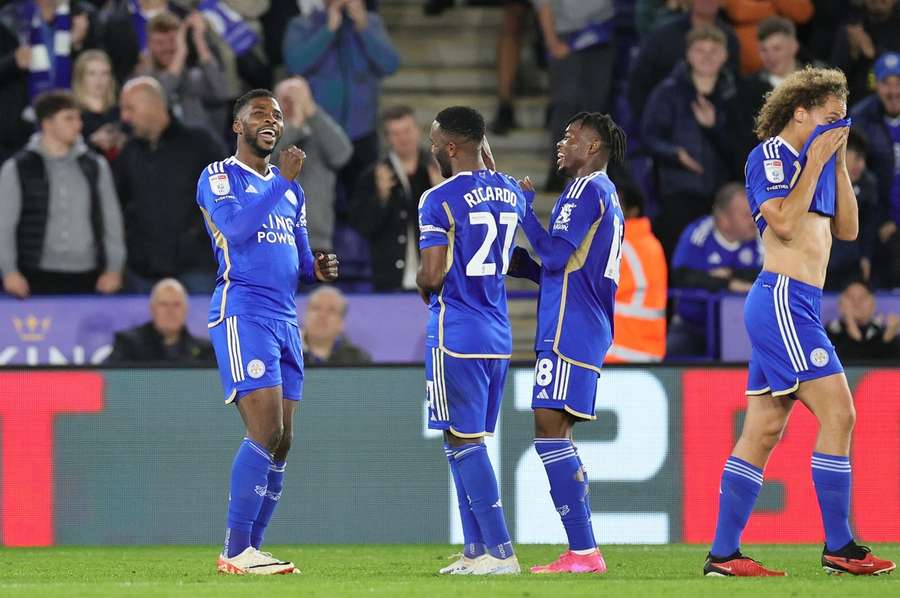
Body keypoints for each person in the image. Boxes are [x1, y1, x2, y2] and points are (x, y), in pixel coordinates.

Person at [704, 67, 895, 576]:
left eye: (843, 119)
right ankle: (840, 546)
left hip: (800, 302)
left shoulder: (822, 163)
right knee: (840, 414)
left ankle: (723, 555)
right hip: (783, 300)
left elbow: (849, 230)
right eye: (831, 118)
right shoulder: (768, 156)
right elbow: (784, 224)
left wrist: (834, 166)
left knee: (763, 430)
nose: (840, 127)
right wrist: (814, 159)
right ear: (801, 113)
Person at [197, 88, 339, 574]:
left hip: (285, 318)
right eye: (259, 113)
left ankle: (250, 550)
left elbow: (299, 263)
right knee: (266, 429)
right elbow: (236, 232)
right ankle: (236, 550)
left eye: (277, 115)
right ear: (237, 125)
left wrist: (318, 268)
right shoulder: (219, 177)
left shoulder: (291, 190)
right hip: (243, 312)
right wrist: (282, 184)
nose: (271, 120)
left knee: (283, 440)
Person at [508, 112, 626, 574]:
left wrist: (524, 211)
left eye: (570, 136)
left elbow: (557, 254)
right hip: (582, 321)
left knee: (548, 430)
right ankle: (583, 549)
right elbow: (570, 269)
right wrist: (530, 270)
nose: (562, 142)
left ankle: (584, 551)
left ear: (593, 147)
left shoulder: (586, 189)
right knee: (557, 434)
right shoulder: (606, 195)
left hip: (568, 328)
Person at [417, 106, 524, 575]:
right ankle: (475, 550)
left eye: (435, 140)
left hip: (455, 330)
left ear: (452, 147)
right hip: (498, 333)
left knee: (463, 441)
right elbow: (492, 187)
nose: (431, 146)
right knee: (466, 441)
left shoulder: (436, 199)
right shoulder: (511, 193)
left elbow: (432, 273)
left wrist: (423, 286)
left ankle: (500, 551)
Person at [0, 90, 125, 298]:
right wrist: (9, 271)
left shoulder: (95, 166)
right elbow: (4, 226)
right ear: (47, 124)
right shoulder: (18, 168)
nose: (78, 125)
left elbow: (112, 221)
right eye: (69, 118)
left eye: (78, 118)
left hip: (88, 275)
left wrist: (114, 268)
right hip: (34, 275)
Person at [114, 76, 224, 293]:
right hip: (144, 271)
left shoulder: (201, 144)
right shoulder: (130, 152)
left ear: (153, 105)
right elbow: (119, 204)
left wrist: (195, 238)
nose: (124, 117)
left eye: (129, 109)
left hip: (197, 268)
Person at [641, 25, 740, 258]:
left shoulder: (736, 93)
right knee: (677, 258)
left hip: (722, 195)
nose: (706, 57)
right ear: (688, 54)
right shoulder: (667, 92)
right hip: (678, 191)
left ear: (725, 55)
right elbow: (649, 137)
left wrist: (713, 128)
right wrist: (677, 155)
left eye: (714, 50)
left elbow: (742, 145)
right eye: (699, 50)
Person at [282, 0, 400, 193]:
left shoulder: (371, 23)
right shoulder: (303, 24)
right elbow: (295, 63)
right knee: (319, 203)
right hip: (318, 134)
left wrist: (364, 29)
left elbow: (390, 64)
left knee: (364, 200)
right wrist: (328, 30)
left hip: (362, 131)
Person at [350, 105, 441, 291]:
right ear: (388, 138)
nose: (403, 138)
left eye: (407, 130)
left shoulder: (439, 170)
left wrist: (441, 190)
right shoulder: (372, 176)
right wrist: (381, 197)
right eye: (396, 133)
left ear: (418, 130)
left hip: (436, 276)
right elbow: (363, 227)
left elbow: (459, 223)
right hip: (389, 279)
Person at [667, 183, 761, 358]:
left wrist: (729, 275)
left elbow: (768, 274)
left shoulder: (760, 236)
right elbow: (682, 276)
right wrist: (729, 284)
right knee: (670, 353)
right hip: (693, 326)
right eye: (747, 216)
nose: (754, 220)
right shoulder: (699, 233)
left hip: (744, 327)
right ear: (724, 220)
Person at [537, 0, 615, 191]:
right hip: (567, 37)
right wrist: (552, 41)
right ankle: (559, 169)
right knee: (566, 105)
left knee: (598, 109)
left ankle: (593, 169)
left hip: (603, 34)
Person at [272, 76, 353, 251]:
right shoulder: (265, 138)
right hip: (273, 241)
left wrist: (312, 112)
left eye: (299, 99)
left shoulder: (321, 136)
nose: (293, 104)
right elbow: (262, 162)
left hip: (316, 242)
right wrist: (294, 126)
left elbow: (342, 154)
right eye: (286, 100)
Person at [627, 0, 740, 121]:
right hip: (665, 123)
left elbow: (733, 85)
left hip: (718, 124)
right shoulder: (662, 36)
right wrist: (651, 119)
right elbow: (637, 83)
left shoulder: (730, 38)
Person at [140, 12, 230, 141]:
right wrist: (180, 55)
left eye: (172, 41)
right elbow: (158, 100)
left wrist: (199, 40)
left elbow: (222, 93)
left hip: (206, 149)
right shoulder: (143, 80)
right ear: (149, 45)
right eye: (159, 43)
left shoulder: (196, 74)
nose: (167, 48)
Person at [850, 52, 900, 288]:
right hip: (873, 222)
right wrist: (881, 221)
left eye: (898, 82)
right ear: (876, 85)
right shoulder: (860, 119)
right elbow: (859, 178)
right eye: (886, 83)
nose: (894, 91)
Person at [606, 183, 667, 363]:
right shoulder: (652, 244)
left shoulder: (621, 247)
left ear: (632, 210)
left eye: (615, 205)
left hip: (617, 356)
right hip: (648, 354)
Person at [733, 17, 811, 158]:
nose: (770, 57)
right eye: (764, 50)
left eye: (776, 49)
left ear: (793, 47)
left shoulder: (815, 84)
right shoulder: (748, 89)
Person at [105, 277, 214, 363]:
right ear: (152, 309)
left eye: (176, 305)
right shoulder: (128, 345)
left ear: (185, 309)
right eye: (163, 304)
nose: (170, 311)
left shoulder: (204, 351)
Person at [826, 129, 879, 290]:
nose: (861, 165)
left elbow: (868, 226)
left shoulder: (867, 184)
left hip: (850, 262)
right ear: (841, 153)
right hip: (820, 258)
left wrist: (866, 257)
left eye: (863, 159)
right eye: (857, 158)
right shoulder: (818, 179)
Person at [831, 0, 900, 104]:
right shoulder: (851, 27)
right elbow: (834, 78)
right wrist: (852, 53)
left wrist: (873, 53)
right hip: (856, 106)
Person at [721, 0, 813, 75]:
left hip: (785, 69)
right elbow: (739, 11)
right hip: (746, 73)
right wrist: (773, 11)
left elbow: (803, 13)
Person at [826, 280, 900, 360]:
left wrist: (888, 340)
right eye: (851, 297)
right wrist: (851, 325)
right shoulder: (829, 333)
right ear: (840, 304)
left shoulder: (883, 332)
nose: (856, 302)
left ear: (873, 305)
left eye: (862, 298)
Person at [71, 49, 124, 160]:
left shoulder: (121, 111)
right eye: (92, 73)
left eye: (104, 73)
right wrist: (92, 141)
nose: (99, 80)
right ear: (80, 78)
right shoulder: (71, 114)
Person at [302, 286, 371, 365]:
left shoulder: (359, 360)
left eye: (331, 310)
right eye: (316, 308)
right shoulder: (287, 355)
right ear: (305, 316)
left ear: (341, 323)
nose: (322, 315)